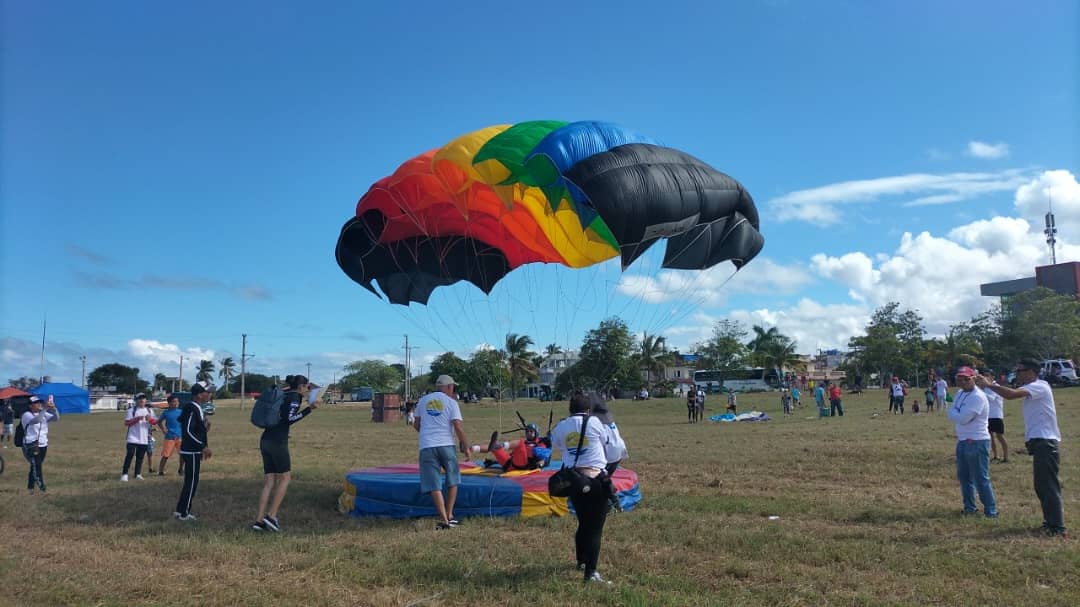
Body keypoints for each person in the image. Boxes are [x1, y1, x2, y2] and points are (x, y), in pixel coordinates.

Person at [975, 358, 1066, 536]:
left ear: (1031, 371)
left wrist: (989, 384)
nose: (1017, 374)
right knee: (1042, 485)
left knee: (1048, 485)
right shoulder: (1036, 387)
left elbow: (1010, 394)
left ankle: (1057, 527)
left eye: (1020, 370)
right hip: (1040, 442)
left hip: (1045, 443)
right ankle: (1050, 523)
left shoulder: (1039, 386)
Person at [551, 392, 615, 584]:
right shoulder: (595, 422)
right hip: (595, 479)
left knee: (583, 522)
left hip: (574, 481)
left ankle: (581, 561)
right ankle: (591, 572)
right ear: (588, 410)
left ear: (570, 410)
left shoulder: (561, 426)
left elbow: (555, 445)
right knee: (595, 528)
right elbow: (608, 442)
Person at [252, 375, 319, 532]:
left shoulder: (285, 394)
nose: (306, 391)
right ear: (301, 386)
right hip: (278, 442)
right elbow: (289, 419)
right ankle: (272, 516)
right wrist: (309, 409)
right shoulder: (295, 397)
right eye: (306, 388)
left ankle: (259, 520)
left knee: (269, 481)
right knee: (285, 478)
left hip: (266, 440)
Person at [413, 374, 469, 530]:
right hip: (446, 444)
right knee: (453, 479)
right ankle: (450, 514)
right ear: (450, 387)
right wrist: (465, 446)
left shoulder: (423, 401)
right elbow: (457, 426)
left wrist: (427, 435)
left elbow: (416, 424)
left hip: (427, 446)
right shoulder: (451, 402)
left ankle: (444, 519)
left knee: (434, 483)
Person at [947, 367, 997, 518]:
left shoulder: (978, 397)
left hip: (977, 441)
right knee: (964, 478)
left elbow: (963, 418)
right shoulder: (960, 393)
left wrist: (954, 413)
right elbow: (952, 412)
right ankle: (969, 508)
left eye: (966, 379)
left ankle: (991, 511)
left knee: (981, 478)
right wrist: (955, 413)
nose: (962, 382)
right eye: (959, 379)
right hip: (962, 440)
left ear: (974, 378)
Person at [174, 381, 213, 521]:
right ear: (199, 394)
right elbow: (188, 432)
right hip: (191, 451)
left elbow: (195, 430)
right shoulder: (192, 408)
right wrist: (202, 446)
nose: (209, 395)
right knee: (192, 482)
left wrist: (204, 428)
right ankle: (184, 513)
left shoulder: (197, 408)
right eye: (207, 392)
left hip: (192, 451)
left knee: (190, 481)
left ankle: (180, 510)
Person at [473, 423, 551, 471]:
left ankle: (501, 445)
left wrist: (540, 466)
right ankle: (472, 449)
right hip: (509, 464)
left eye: (531, 431)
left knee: (520, 442)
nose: (528, 433)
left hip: (523, 465)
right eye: (527, 431)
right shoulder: (525, 442)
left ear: (536, 433)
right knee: (494, 448)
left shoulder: (540, 443)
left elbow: (543, 458)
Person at [21, 395, 59, 493]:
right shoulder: (26, 415)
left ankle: (30, 488)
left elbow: (56, 418)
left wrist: (54, 408)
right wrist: (45, 408)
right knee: (37, 466)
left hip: (43, 444)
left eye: (40, 402)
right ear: (30, 405)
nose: (39, 404)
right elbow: (36, 420)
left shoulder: (43, 414)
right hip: (31, 444)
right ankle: (42, 488)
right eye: (36, 403)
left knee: (35, 466)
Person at [121, 393, 156, 481]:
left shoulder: (149, 410)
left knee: (140, 457)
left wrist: (150, 419)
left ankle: (137, 474)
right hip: (132, 437)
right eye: (139, 398)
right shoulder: (132, 410)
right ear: (136, 400)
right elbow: (127, 423)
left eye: (143, 398)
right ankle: (124, 474)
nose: (142, 400)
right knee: (130, 455)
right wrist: (137, 419)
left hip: (144, 438)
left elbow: (154, 422)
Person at [980, 369, 1008, 463]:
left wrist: (980, 391)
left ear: (992, 377)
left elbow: (991, 398)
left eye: (987, 375)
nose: (985, 377)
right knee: (990, 436)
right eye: (984, 375)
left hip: (996, 415)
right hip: (987, 416)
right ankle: (996, 456)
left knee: (1000, 436)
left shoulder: (996, 387)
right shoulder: (984, 388)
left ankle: (1006, 457)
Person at [156, 394, 183, 475]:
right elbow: (159, 421)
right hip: (170, 437)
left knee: (183, 454)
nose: (176, 403)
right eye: (174, 401)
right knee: (166, 455)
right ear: (169, 403)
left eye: (177, 401)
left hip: (180, 436)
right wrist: (164, 430)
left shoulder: (181, 412)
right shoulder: (166, 413)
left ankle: (181, 470)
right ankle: (161, 471)